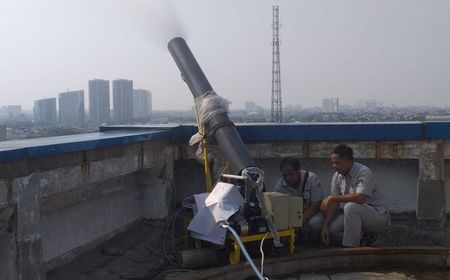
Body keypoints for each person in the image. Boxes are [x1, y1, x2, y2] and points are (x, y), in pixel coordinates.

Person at [320, 144, 389, 247]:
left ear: (348, 161)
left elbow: (360, 198)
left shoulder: (364, 172)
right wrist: (325, 226)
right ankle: (364, 236)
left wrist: (331, 197)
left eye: (337, 163)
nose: (334, 166)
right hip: (355, 214)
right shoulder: (337, 176)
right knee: (331, 232)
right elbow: (334, 204)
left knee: (350, 207)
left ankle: (350, 248)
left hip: (377, 216)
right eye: (333, 163)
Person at [274, 157, 324, 240]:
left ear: (298, 171)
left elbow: (316, 206)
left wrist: (298, 223)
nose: (288, 178)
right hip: (292, 216)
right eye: (285, 175)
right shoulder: (280, 187)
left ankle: (314, 240)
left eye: (291, 174)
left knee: (316, 223)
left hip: (311, 213)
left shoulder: (311, 179)